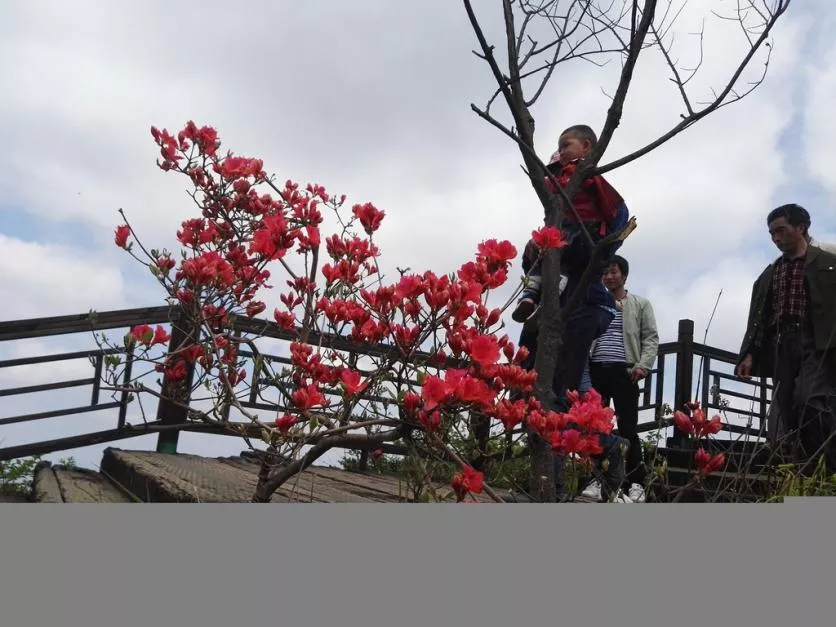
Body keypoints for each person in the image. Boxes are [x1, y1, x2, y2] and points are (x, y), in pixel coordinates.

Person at [513, 124, 633, 502]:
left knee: (556, 393)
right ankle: (547, 480)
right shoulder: (558, 198)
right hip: (548, 308)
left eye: (567, 144)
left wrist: (601, 248)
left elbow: (619, 215)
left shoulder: (592, 182)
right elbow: (537, 252)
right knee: (528, 389)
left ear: (588, 148)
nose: (560, 150)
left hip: (580, 306)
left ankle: (567, 475)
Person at [734, 204, 836, 475]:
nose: (776, 239)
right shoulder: (770, 273)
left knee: (810, 399)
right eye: (771, 234)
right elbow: (759, 319)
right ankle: (811, 469)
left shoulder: (827, 263)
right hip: (780, 343)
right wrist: (749, 354)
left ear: (800, 228)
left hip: (817, 341)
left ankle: (831, 462)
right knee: (789, 411)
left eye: (781, 230)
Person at [581, 255, 658, 503]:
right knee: (595, 428)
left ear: (624, 275)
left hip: (625, 372)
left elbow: (650, 338)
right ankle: (596, 481)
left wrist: (643, 365)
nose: (609, 276)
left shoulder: (640, 304)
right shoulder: (594, 303)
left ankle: (635, 484)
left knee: (628, 429)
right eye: (605, 272)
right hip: (595, 371)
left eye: (614, 272)